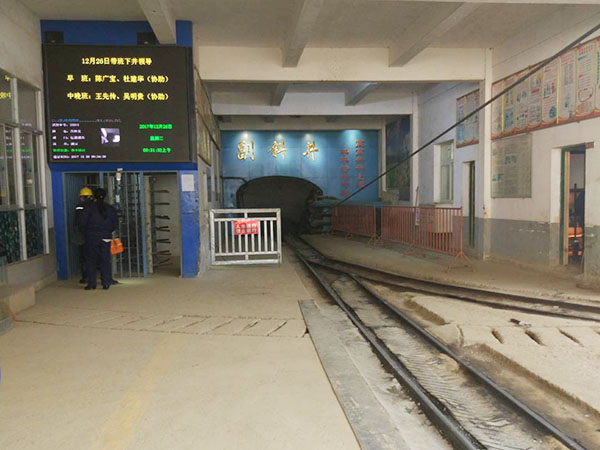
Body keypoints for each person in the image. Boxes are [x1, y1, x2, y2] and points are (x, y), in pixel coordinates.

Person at [78, 188, 119, 290]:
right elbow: (115, 224)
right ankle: (106, 282)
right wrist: (107, 231)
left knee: (91, 260)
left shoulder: (88, 208)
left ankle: (92, 284)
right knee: (105, 260)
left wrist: (86, 232)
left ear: (94, 196)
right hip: (106, 236)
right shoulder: (110, 208)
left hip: (91, 237)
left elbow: (82, 223)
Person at [74, 187, 94, 283]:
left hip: (82, 235)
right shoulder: (95, 206)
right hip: (94, 234)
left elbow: (76, 221)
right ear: (91, 196)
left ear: (82, 197)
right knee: (95, 256)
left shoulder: (79, 206)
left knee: (84, 256)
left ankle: (85, 276)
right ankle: (97, 276)